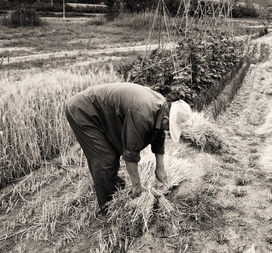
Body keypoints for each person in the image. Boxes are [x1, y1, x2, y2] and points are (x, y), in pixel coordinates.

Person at [65, 82, 192, 215]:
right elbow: (131, 153)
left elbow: (158, 135)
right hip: (83, 110)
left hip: (102, 112)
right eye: (169, 127)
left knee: (111, 156)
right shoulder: (142, 114)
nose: (167, 130)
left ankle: (113, 185)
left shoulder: (162, 106)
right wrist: (136, 185)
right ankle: (109, 209)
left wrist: (160, 167)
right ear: (166, 118)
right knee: (105, 160)